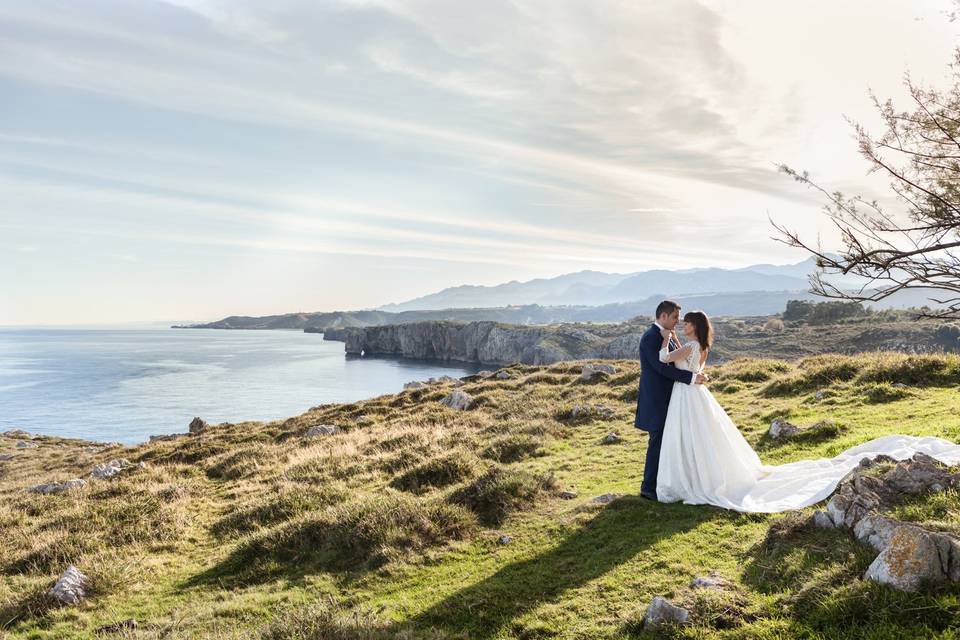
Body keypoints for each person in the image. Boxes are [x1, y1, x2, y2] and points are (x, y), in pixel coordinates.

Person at [652, 309, 960, 512]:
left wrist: (666, 340)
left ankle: (690, 478)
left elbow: (665, 359)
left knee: (690, 435)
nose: (683, 324)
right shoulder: (700, 346)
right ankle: (699, 474)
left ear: (694, 325)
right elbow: (687, 363)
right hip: (695, 392)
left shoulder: (689, 345)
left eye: (686, 321)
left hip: (687, 394)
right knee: (702, 435)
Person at [634, 300, 707, 501]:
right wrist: (691, 378)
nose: (678, 321)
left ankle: (669, 482)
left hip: (674, 399)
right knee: (657, 442)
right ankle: (648, 488)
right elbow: (661, 368)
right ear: (663, 316)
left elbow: (682, 360)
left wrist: (695, 373)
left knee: (671, 442)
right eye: (675, 317)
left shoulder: (669, 335)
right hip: (657, 399)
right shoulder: (650, 337)